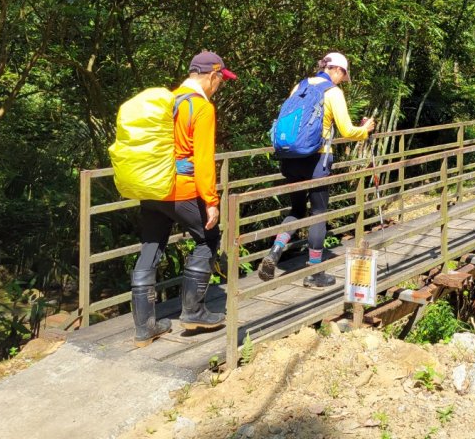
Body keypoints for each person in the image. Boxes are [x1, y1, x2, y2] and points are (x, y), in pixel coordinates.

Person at [130, 50, 237, 347]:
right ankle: (193, 312)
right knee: (209, 239)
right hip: (182, 188)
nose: (220, 86)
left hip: (152, 187)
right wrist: (211, 200)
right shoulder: (201, 108)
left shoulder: (168, 100)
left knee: (151, 247)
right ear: (212, 75)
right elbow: (203, 159)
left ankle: (144, 327)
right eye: (221, 80)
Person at [258, 52, 375, 288]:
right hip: (317, 160)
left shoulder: (298, 86)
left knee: (297, 208)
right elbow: (346, 130)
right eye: (343, 75)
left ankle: (274, 252)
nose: (342, 80)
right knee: (319, 213)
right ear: (337, 71)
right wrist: (366, 130)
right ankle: (314, 272)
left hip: (291, 158)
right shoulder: (332, 92)